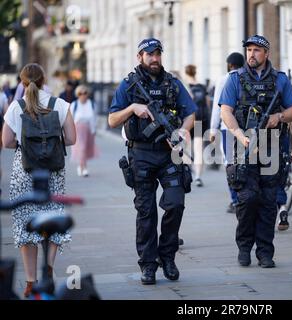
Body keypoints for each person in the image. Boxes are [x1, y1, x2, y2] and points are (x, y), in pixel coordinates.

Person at [108, 38, 196, 285]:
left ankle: (167, 257)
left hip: (169, 152)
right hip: (141, 154)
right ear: (140, 57)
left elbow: (190, 113)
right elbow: (113, 120)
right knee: (146, 212)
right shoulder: (128, 85)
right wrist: (133, 108)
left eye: (158, 54)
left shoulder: (172, 83)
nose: (155, 58)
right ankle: (148, 265)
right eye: (150, 54)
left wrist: (184, 131)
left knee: (175, 203)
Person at [219, 35, 292, 268]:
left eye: (256, 50)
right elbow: (226, 111)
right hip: (243, 146)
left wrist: (278, 117)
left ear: (266, 54)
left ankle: (265, 252)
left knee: (267, 201)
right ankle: (244, 247)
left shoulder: (280, 80)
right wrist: (239, 135)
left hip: (272, 147)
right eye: (249, 50)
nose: (251, 54)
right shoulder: (235, 79)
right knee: (247, 199)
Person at [1, 63, 76, 297]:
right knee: (53, 217)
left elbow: (6, 142)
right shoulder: (60, 105)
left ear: (22, 82)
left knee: (25, 224)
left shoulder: (16, 106)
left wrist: (25, 147)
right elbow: (71, 139)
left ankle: (31, 281)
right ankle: (49, 270)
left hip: (24, 171)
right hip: (52, 171)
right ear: (44, 81)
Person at [210, 52, 245, 213]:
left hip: (227, 128)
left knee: (229, 163)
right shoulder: (248, 77)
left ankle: (235, 199)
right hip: (246, 128)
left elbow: (218, 107)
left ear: (229, 65)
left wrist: (212, 129)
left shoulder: (224, 79)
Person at [184, 64, 210, 187]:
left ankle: (189, 172)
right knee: (199, 150)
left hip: (188, 121)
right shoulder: (202, 86)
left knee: (187, 149)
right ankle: (198, 177)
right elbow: (207, 105)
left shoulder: (185, 87)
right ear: (195, 72)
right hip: (200, 120)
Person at [70, 84, 98, 177]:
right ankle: (83, 168)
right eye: (80, 93)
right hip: (77, 129)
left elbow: (94, 118)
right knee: (81, 148)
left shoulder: (92, 104)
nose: (83, 95)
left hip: (88, 129)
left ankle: (81, 165)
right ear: (77, 94)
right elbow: (70, 119)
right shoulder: (74, 105)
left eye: (85, 93)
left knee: (85, 149)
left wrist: (94, 131)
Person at [276, 122, 292, 231]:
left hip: (258, 138)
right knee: (280, 172)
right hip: (281, 136)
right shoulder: (284, 104)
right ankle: (282, 207)